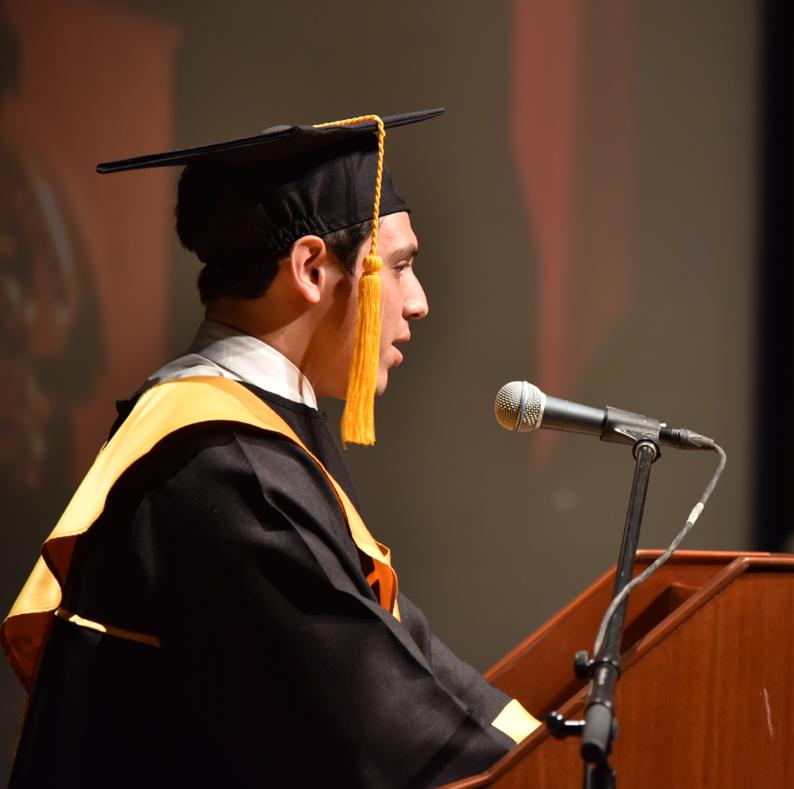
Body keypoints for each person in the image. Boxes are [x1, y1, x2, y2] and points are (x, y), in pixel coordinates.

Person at [1, 110, 537, 788]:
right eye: (398, 266)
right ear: (311, 267)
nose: (420, 301)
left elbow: (416, 662)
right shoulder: (219, 467)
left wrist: (557, 742)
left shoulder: (245, 438)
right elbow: (383, 723)